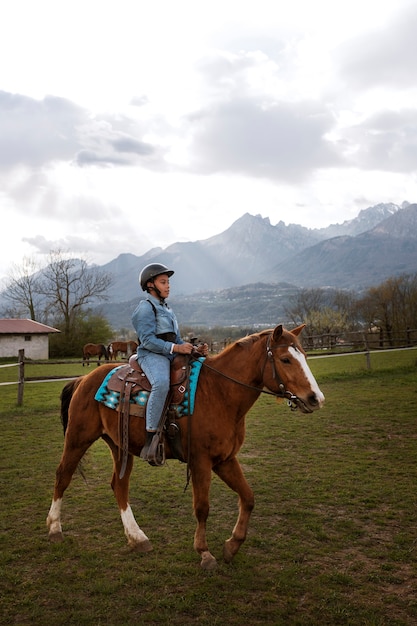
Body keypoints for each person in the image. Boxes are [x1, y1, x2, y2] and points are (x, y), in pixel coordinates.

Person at [131, 263, 196, 461]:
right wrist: (176, 349)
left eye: (168, 282)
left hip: (168, 353)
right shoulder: (145, 308)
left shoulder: (167, 310)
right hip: (150, 355)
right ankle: (151, 438)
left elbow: (176, 339)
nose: (168, 286)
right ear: (150, 285)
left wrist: (192, 349)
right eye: (163, 282)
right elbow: (148, 340)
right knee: (161, 383)